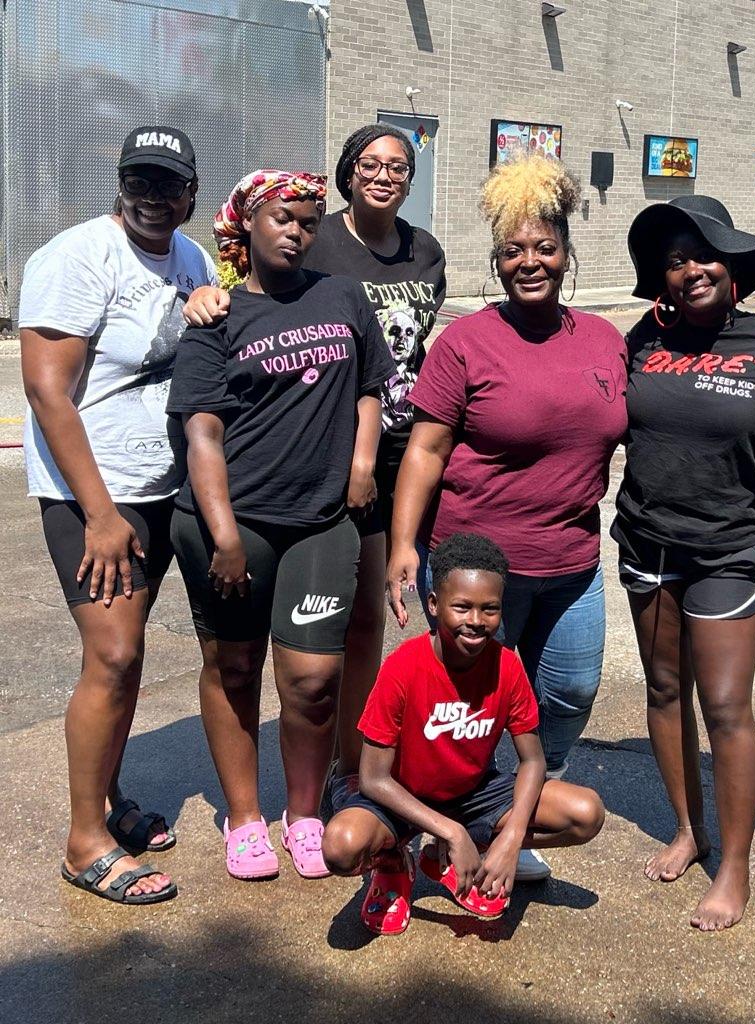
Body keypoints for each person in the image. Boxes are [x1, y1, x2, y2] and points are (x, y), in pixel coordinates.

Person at [183, 125, 446, 802]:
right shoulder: (295, 256)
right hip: (280, 484)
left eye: (399, 166)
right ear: (349, 173)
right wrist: (206, 294)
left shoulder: (416, 258)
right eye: (370, 164)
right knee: (257, 656)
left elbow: (384, 370)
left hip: (376, 461)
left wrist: (366, 461)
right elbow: (240, 299)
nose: (297, 231)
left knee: (351, 633)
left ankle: (349, 768)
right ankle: (297, 786)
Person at [385, 154, 627, 881]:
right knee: (466, 704)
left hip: (571, 563)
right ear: (496, 261)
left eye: (544, 248)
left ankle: (509, 809)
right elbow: (425, 449)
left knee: (572, 689)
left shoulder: (604, 339)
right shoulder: (467, 342)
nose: (531, 262)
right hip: (476, 567)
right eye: (513, 251)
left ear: (566, 252)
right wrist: (403, 543)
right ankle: (457, 819)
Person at [167, 170, 396, 880]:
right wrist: (226, 534)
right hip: (232, 524)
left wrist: (362, 464)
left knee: (313, 679)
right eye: (282, 219)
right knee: (234, 666)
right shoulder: (217, 316)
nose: (297, 231)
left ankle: (303, 814)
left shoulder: (341, 295)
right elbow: (202, 435)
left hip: (324, 520)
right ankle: (243, 819)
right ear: (246, 226)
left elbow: (369, 387)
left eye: (307, 221)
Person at [613, 195, 755, 931]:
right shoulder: (641, 339)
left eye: (705, 256)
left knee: (727, 706)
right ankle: (687, 827)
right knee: (665, 690)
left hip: (729, 547)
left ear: (734, 269)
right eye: (675, 260)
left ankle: (733, 865)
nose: (690, 269)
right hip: (646, 541)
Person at [20, 126, 215, 904]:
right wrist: (100, 514)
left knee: (127, 658)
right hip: (94, 496)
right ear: (121, 181)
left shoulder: (192, 259)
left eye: (167, 184)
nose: (152, 196)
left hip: (161, 485)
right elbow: (46, 392)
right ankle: (82, 841)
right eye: (140, 179)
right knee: (110, 656)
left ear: (190, 193)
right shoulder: (75, 257)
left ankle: (104, 797)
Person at [322, 532, 605, 935]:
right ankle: (391, 860)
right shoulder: (403, 668)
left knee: (586, 814)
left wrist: (511, 841)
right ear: (434, 605)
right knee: (341, 846)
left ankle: (463, 856)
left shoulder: (506, 667)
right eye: (462, 607)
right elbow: (373, 778)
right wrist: (449, 830)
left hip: (472, 795)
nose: (476, 621)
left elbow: (533, 759)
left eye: (490, 609)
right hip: (401, 797)